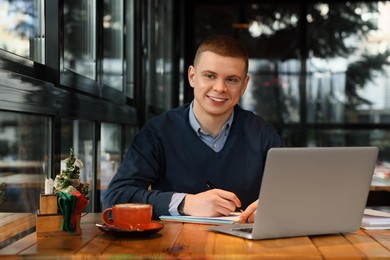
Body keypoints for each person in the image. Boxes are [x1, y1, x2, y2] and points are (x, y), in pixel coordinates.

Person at [103, 35, 284, 223]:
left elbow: (295, 194)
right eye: (210, 76)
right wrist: (185, 203)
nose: (220, 88)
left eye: (231, 80)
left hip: (246, 248)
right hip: (174, 247)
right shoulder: (157, 132)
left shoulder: (263, 134)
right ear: (192, 77)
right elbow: (116, 197)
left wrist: (274, 207)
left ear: (244, 85)